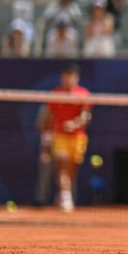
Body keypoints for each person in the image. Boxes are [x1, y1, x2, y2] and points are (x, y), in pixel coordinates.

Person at [39, 64, 92, 212]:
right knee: (62, 165)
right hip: (59, 135)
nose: (68, 79)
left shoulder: (83, 94)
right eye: (66, 76)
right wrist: (46, 134)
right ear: (63, 77)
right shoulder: (56, 94)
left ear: (76, 78)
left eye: (72, 76)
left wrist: (74, 124)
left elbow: (85, 115)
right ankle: (66, 197)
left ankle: (64, 193)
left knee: (71, 169)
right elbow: (48, 115)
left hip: (78, 137)